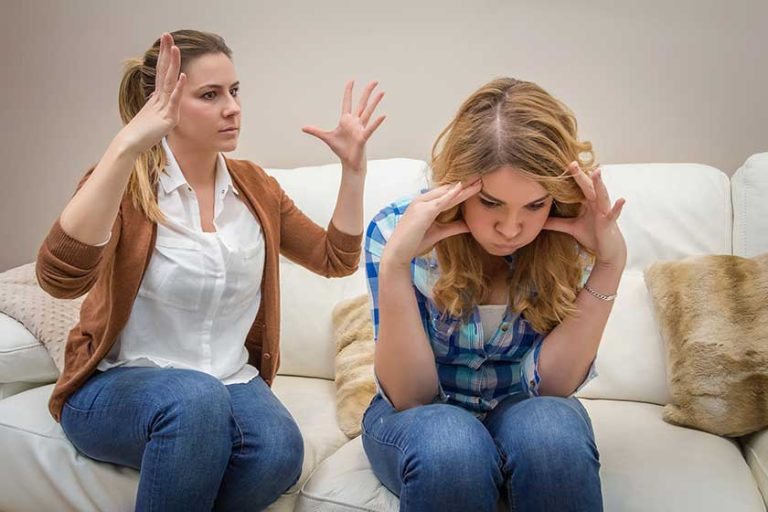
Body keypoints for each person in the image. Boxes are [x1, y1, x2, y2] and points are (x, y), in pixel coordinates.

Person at [35, 29, 385, 511]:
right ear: (163, 106)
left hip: (228, 380)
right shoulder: (125, 184)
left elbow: (334, 259)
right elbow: (59, 279)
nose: (233, 108)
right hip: (117, 386)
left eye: (234, 91)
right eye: (210, 95)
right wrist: (125, 147)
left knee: (279, 451)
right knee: (194, 399)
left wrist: (354, 171)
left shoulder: (255, 187)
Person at [362, 77, 626, 511]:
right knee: (453, 446)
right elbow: (410, 398)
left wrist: (610, 265)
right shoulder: (395, 229)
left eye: (535, 206)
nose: (510, 229)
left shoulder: (576, 236)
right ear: (459, 187)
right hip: (421, 423)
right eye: (490, 203)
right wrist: (395, 266)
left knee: (552, 434)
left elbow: (552, 388)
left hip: (523, 409)